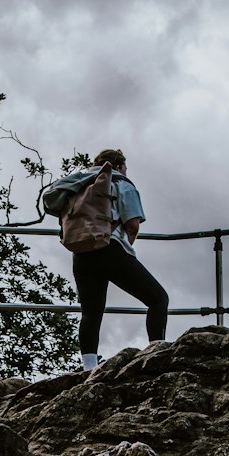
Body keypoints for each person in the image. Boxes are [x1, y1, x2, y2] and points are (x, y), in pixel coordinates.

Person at [69, 148, 169, 371]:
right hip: (110, 249)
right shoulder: (122, 183)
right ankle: (156, 354)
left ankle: (89, 368)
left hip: (81, 252)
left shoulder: (82, 185)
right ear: (120, 166)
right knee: (158, 299)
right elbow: (132, 224)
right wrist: (124, 248)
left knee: (91, 312)